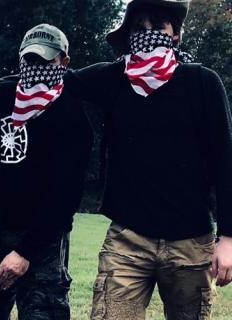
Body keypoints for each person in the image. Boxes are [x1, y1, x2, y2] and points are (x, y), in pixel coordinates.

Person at [74, 0, 232, 318]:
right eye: (139, 27)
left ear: (175, 34)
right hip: (127, 240)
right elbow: (57, 84)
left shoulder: (202, 83)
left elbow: (226, 163)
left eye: (158, 25)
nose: (148, 34)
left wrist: (228, 237)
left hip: (191, 241)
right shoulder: (115, 79)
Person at [0, 24, 93, 320]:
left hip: (42, 243)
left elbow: (64, 195)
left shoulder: (72, 116)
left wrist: (25, 252)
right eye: (29, 60)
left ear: (64, 62)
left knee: (44, 313)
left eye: (45, 61)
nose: (35, 68)